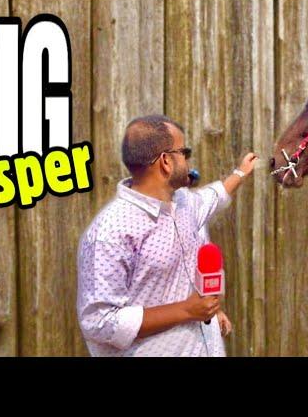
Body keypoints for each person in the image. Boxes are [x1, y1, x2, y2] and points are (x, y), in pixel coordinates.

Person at [77, 115, 257, 356]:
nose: (188, 161)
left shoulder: (184, 203)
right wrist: (187, 310)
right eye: (184, 152)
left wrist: (241, 172)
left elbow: (215, 196)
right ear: (165, 161)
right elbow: (99, 322)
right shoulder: (111, 231)